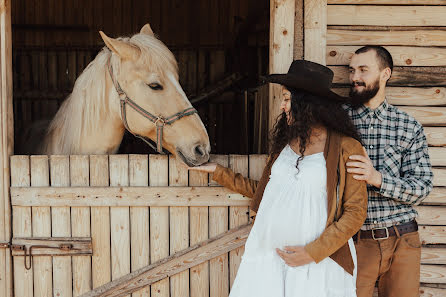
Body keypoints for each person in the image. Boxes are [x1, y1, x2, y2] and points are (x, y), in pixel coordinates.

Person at [189, 60, 368, 297]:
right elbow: (269, 192)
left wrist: (313, 252)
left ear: (307, 103)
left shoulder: (347, 148)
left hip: (317, 262)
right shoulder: (284, 145)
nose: (282, 106)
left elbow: (355, 212)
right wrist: (220, 173)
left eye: (286, 98)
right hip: (268, 256)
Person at [345, 46, 434, 297]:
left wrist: (377, 178)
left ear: (386, 74)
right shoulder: (338, 122)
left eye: (363, 69)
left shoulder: (408, 125)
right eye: (352, 70)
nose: (354, 77)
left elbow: (421, 188)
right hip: (354, 241)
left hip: (402, 240)